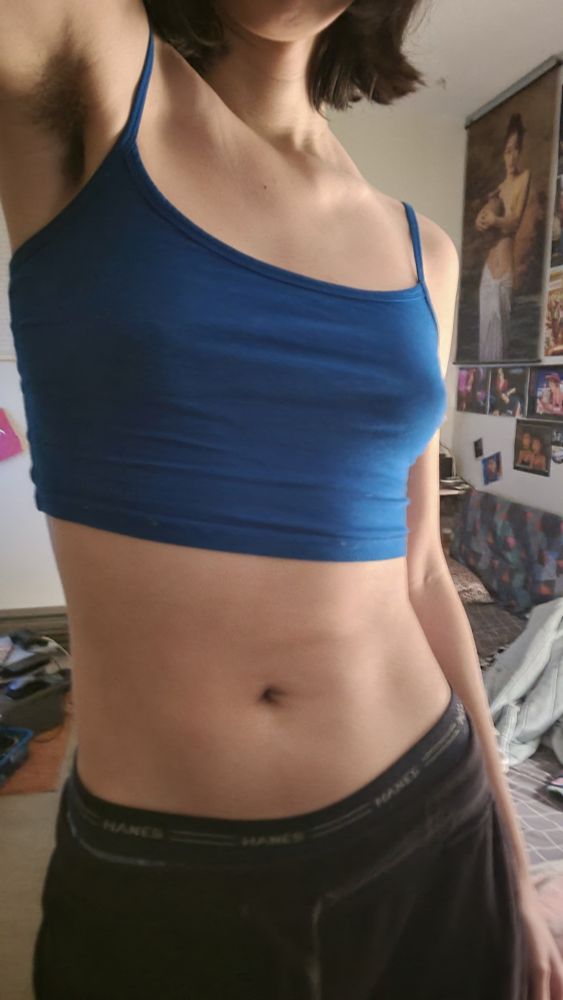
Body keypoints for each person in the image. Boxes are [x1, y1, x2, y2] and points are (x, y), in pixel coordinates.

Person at [1, 2, 561, 998]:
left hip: (432, 818)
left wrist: (512, 858)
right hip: (165, 875)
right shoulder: (95, 69)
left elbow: (420, 571)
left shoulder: (425, 253)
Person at [475, 113, 531, 362]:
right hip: (489, 269)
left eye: (516, 149)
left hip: (505, 268)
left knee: (500, 342)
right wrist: (481, 219)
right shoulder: (497, 189)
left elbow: (515, 221)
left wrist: (494, 220)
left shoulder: (523, 179)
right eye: (508, 151)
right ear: (503, 153)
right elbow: (483, 222)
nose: (512, 156)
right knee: (485, 339)